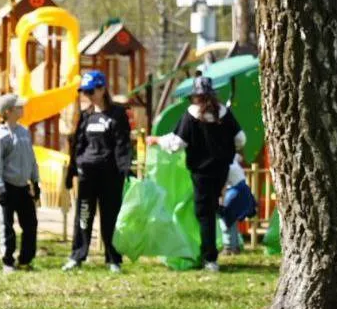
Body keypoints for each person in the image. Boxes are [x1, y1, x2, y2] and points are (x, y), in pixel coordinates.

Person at [149, 77, 246, 273]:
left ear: (195, 96)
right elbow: (241, 139)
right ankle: (217, 247)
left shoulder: (191, 115)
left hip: (201, 172)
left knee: (204, 214)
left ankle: (210, 258)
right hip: (221, 170)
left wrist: (158, 141)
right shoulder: (224, 114)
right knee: (212, 207)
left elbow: (176, 144)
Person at [64, 70, 132, 273]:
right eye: (84, 92)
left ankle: (113, 259)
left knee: (110, 217)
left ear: (103, 89)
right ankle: (77, 256)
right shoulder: (86, 116)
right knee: (84, 215)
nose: (88, 95)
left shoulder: (117, 114)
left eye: (91, 90)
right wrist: (72, 171)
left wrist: (125, 169)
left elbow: (122, 144)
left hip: (110, 175)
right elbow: (78, 144)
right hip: (87, 175)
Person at [0, 93, 40, 273]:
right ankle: (7, 262)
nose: (22, 108)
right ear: (9, 111)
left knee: (30, 225)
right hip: (7, 187)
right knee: (7, 226)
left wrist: (35, 180)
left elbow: (31, 159)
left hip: (23, 187)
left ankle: (25, 260)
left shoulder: (24, 132)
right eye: (18, 107)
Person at [221, 154, 257, 255]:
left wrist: (221, 202)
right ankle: (235, 247)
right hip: (244, 190)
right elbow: (240, 157)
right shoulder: (231, 156)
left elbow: (222, 186)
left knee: (225, 219)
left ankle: (228, 247)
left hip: (234, 192)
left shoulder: (222, 164)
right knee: (232, 220)